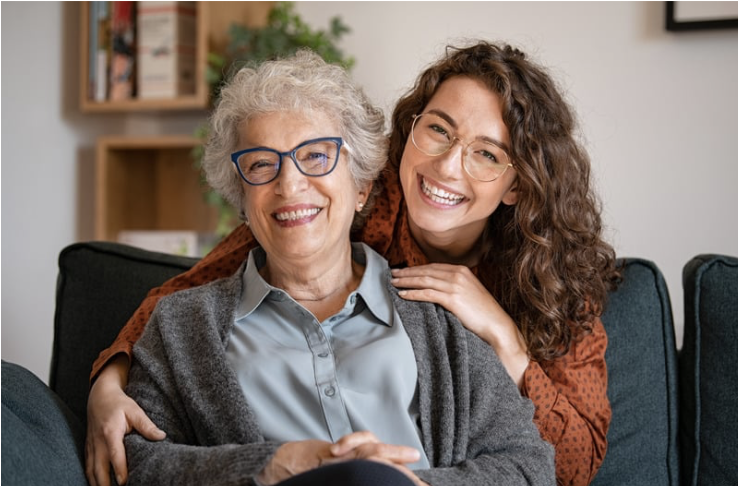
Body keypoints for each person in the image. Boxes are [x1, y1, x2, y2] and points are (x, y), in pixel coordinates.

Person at [87, 42, 619, 486]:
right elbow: (180, 299)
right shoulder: (197, 316)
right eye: (438, 130)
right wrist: (109, 379)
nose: (447, 166)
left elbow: (549, 466)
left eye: (487, 153)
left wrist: (505, 340)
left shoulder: (505, 306)